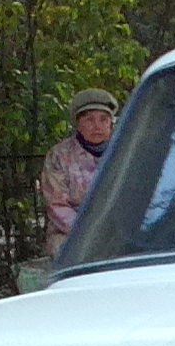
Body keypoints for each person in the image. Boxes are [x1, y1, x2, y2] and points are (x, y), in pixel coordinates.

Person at [42, 88, 118, 257]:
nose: (97, 126)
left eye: (103, 119)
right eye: (89, 120)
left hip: (118, 231)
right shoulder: (59, 156)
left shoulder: (125, 152)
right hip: (70, 234)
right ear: (78, 123)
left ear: (111, 123)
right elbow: (57, 205)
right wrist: (88, 232)